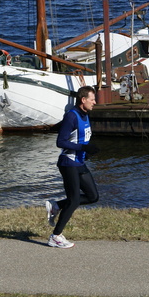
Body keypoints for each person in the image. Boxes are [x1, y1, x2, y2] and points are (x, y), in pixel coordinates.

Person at [46, 85, 99, 248]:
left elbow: (80, 138)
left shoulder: (85, 114)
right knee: (74, 200)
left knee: (92, 196)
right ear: (83, 100)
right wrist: (83, 148)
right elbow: (60, 142)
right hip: (68, 163)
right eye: (92, 99)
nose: (95, 102)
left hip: (79, 162)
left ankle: (57, 206)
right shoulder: (72, 116)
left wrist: (88, 151)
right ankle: (55, 236)